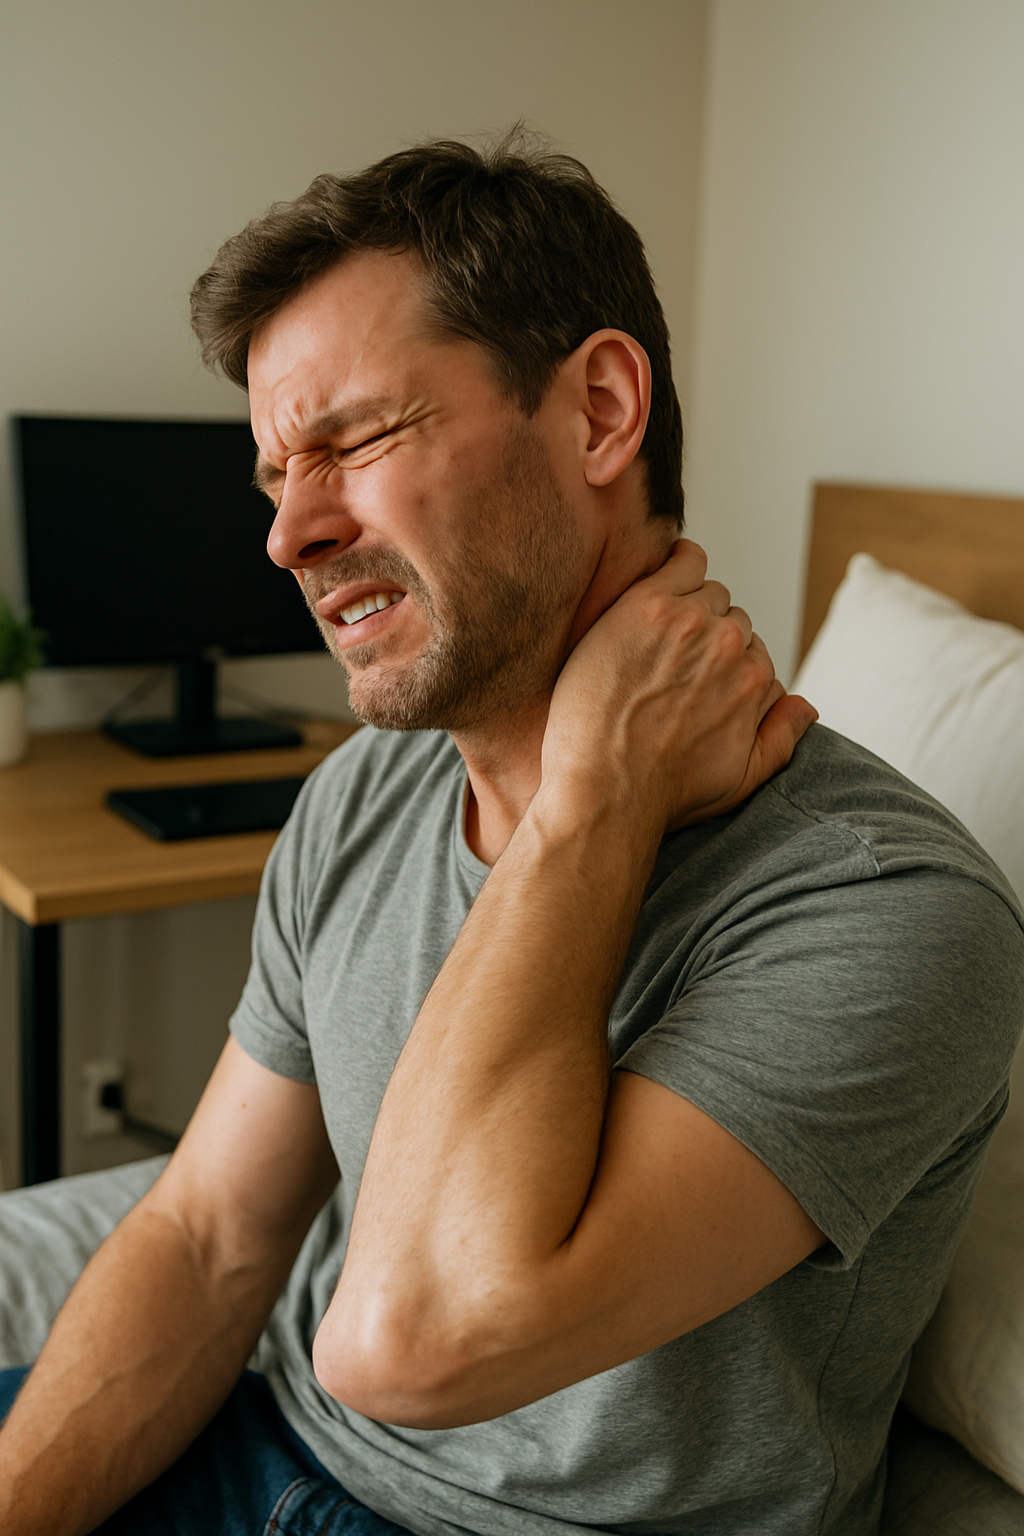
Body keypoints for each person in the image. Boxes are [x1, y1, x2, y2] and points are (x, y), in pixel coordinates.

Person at [0, 133, 1021, 1536]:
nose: (288, 533)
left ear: (600, 410)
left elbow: (414, 1342)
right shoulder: (365, 793)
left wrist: (594, 800)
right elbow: (208, 1233)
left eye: (351, 440)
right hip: (257, 1444)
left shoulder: (890, 910)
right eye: (273, 475)